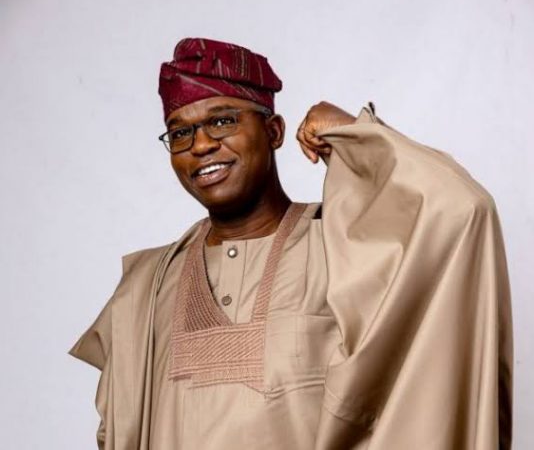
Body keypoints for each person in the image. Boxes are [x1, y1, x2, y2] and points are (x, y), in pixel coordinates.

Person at [70, 38, 513, 450]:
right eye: (180, 132)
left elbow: (463, 210)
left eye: (222, 121)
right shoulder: (147, 289)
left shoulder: (343, 248)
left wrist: (362, 136)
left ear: (274, 131)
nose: (200, 144)